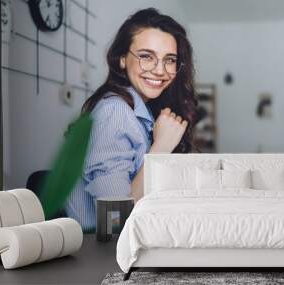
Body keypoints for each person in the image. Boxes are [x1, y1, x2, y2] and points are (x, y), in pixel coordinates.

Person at [65, 8, 197, 231]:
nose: (160, 70)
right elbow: (113, 221)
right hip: (103, 256)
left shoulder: (141, 112)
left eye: (170, 60)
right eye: (147, 57)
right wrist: (161, 148)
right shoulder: (114, 112)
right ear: (122, 59)